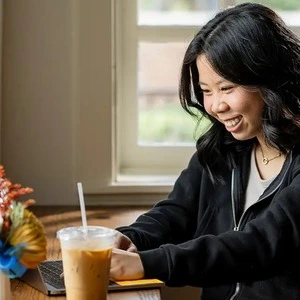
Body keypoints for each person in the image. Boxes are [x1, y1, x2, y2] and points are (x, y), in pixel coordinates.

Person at [109, 3, 300, 299]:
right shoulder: (222, 148)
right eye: (207, 91)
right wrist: (128, 238)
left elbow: (260, 243)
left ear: (267, 78)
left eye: (226, 88)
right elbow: (176, 212)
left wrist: (147, 264)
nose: (215, 106)